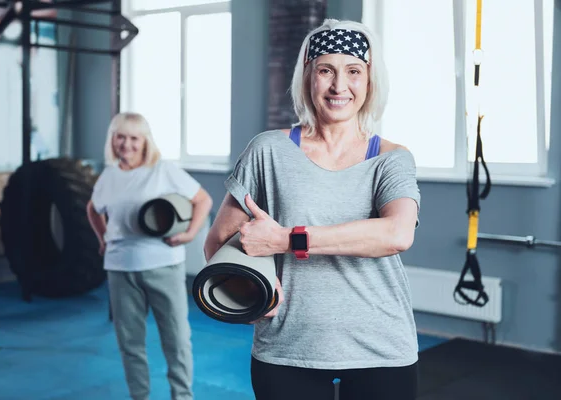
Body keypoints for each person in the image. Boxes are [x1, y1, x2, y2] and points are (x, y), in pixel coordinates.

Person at [204, 19, 420, 400]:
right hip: (288, 347)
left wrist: (287, 239)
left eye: (353, 71)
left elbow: (396, 234)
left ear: (369, 81)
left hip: (382, 347)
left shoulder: (391, 159)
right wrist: (246, 298)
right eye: (326, 70)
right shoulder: (268, 150)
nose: (339, 86)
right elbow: (218, 243)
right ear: (308, 77)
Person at [87, 112, 213, 400]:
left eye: (134, 138)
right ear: (113, 140)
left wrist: (191, 234)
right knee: (130, 342)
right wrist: (103, 238)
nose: (126, 144)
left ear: (145, 141)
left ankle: (182, 396)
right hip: (120, 268)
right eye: (121, 137)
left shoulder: (162, 170)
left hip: (163, 265)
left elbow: (203, 199)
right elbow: (93, 209)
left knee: (177, 340)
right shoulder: (109, 174)